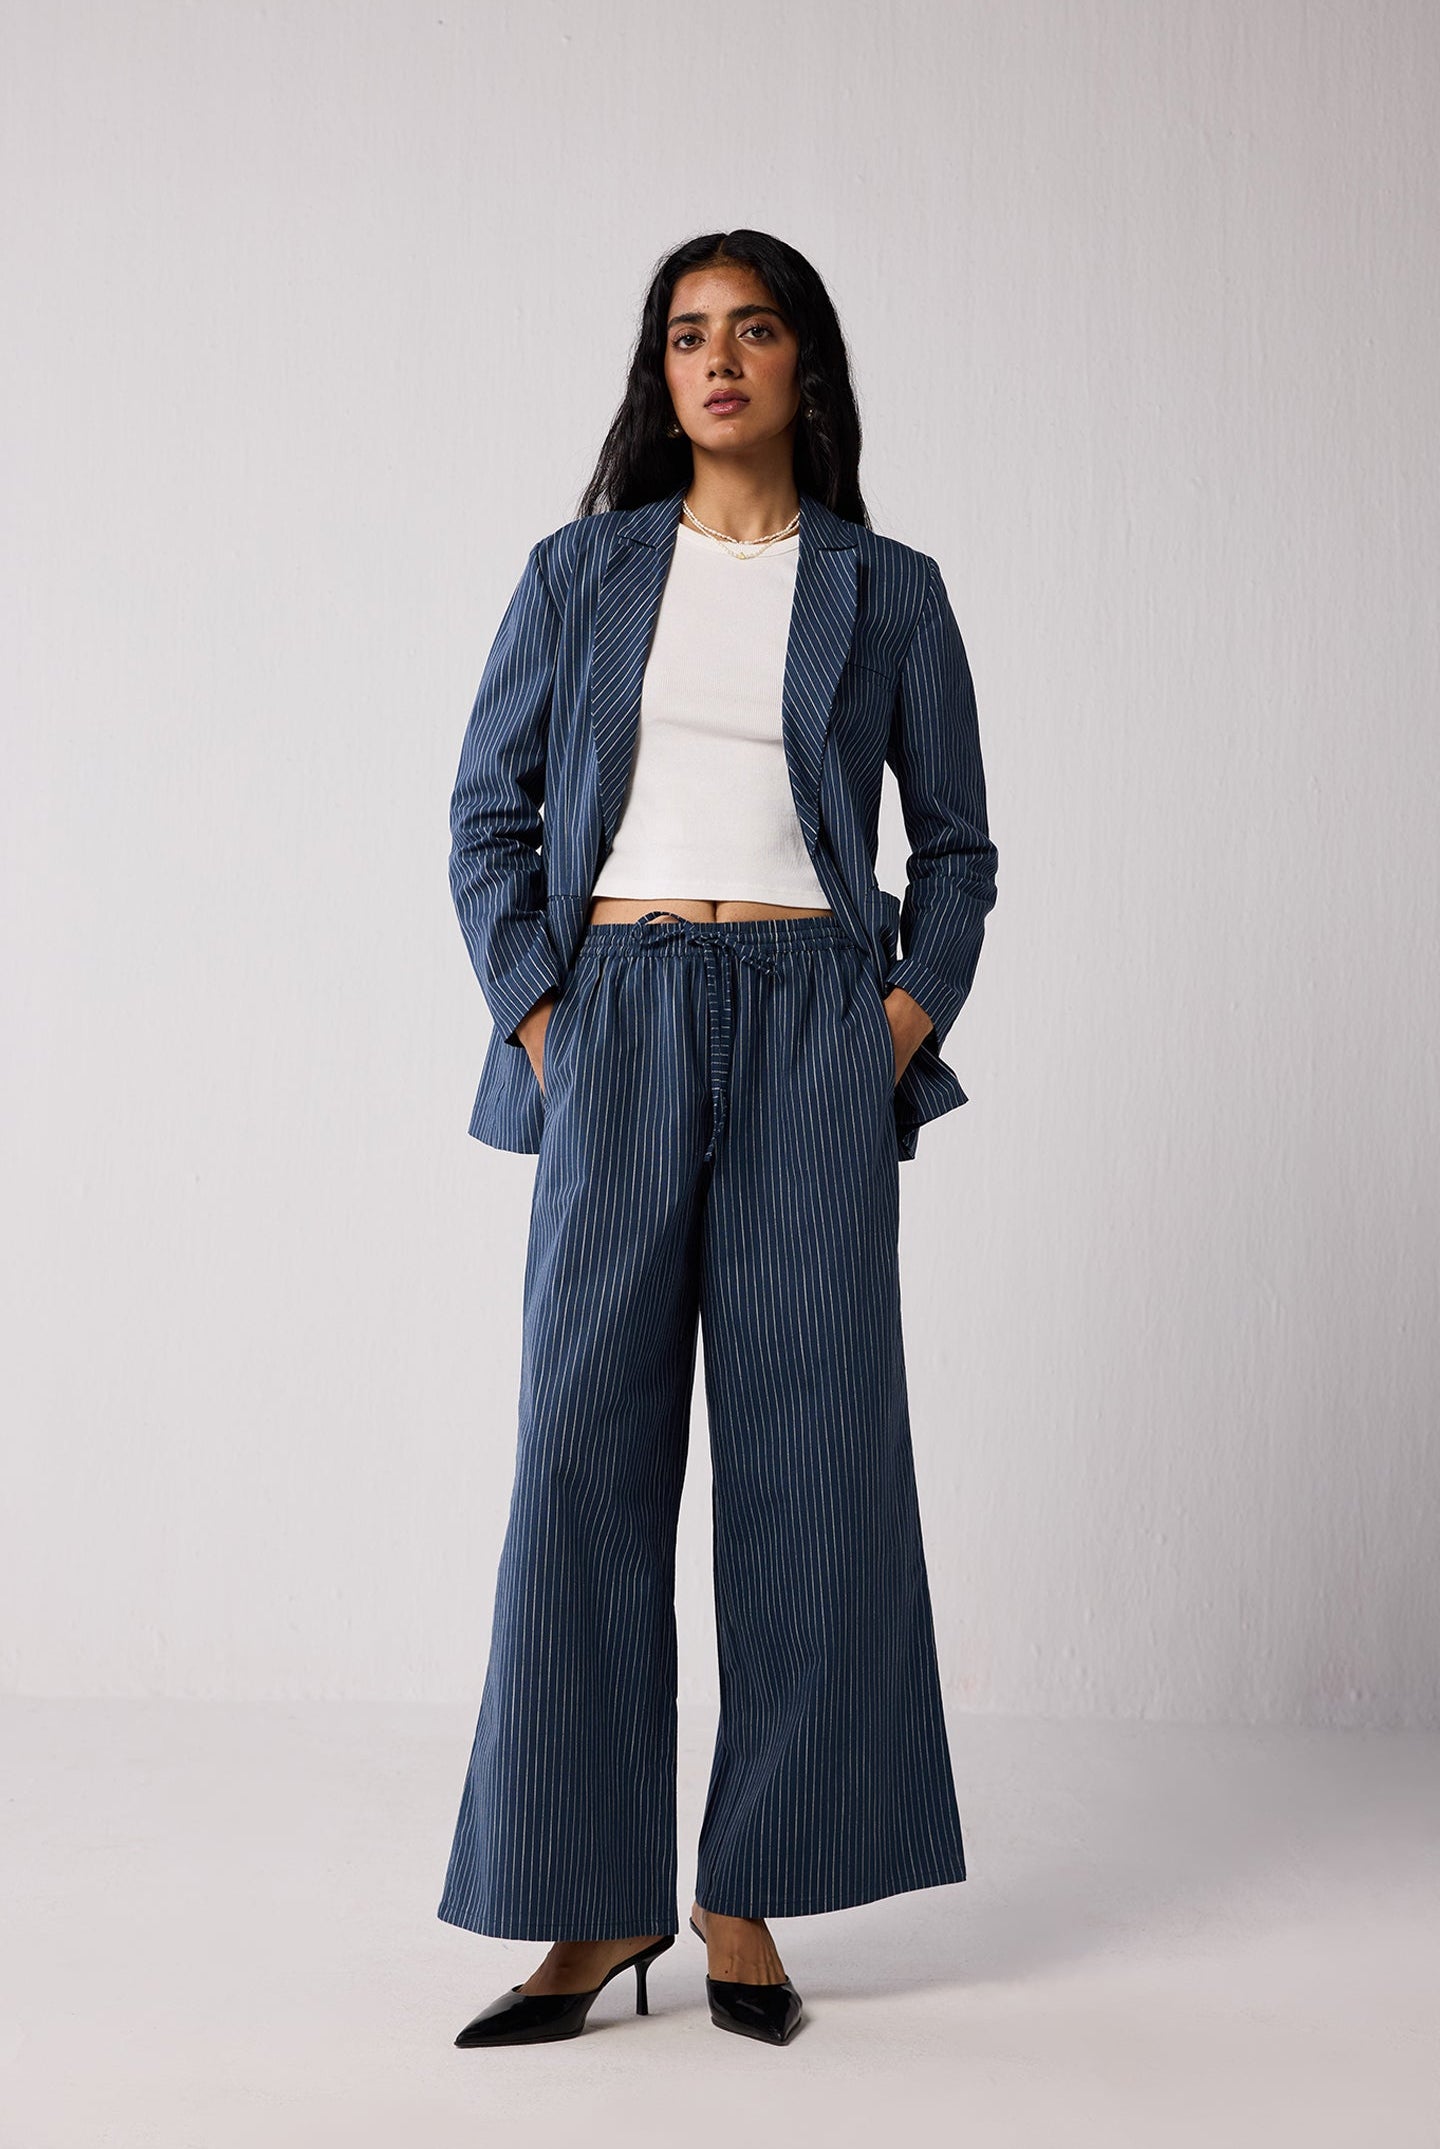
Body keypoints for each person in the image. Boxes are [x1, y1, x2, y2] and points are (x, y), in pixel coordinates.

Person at [437, 228, 998, 2049]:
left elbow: (961, 850)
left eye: (753, 329)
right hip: (618, 1015)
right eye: (688, 334)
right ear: (657, 374)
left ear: (805, 366)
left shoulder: (888, 588)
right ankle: (590, 1907)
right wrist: (546, 1016)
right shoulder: (579, 571)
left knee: (807, 1464)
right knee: (583, 1454)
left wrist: (893, 1021)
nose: (720, 358)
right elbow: (486, 817)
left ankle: (741, 1893)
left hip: (811, 1026)